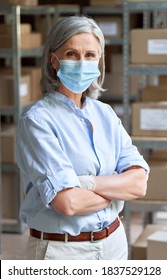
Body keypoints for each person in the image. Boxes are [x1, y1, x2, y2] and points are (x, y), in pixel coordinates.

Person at [16, 15, 149, 260]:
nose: (82, 62)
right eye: (72, 54)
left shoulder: (105, 114)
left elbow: (139, 184)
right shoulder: (37, 120)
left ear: (99, 60)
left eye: (90, 55)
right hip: (63, 250)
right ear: (54, 61)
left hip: (114, 244)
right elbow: (69, 203)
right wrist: (117, 188)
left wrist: (85, 183)